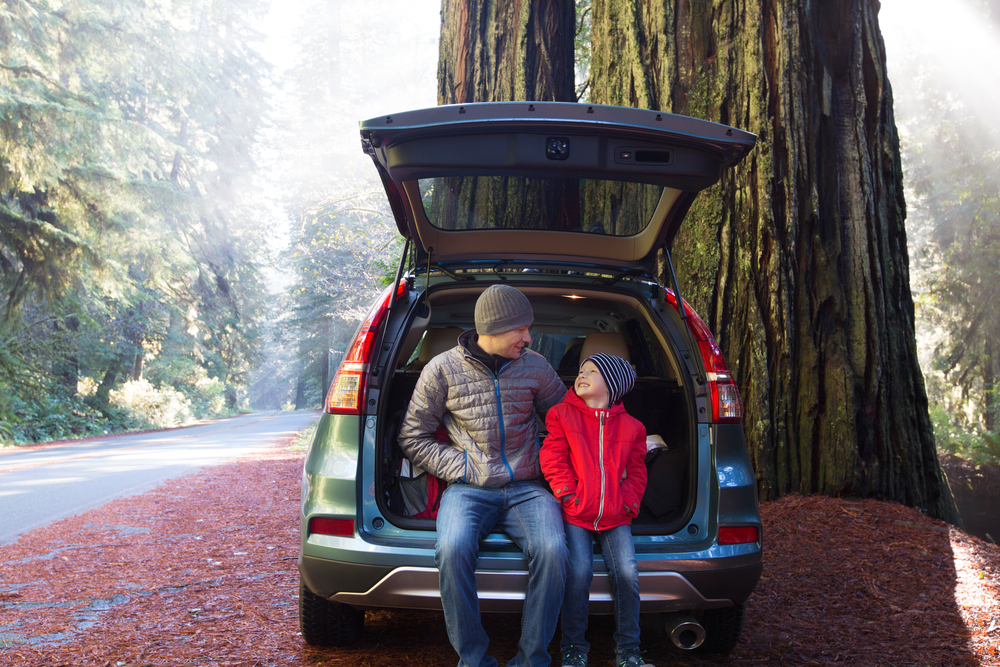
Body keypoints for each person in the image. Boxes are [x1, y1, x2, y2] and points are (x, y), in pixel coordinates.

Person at [399, 284, 569, 667]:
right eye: (521, 329)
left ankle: (531, 660)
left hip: (527, 487)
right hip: (467, 488)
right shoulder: (440, 370)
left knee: (554, 550)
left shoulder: (536, 366)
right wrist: (461, 467)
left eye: (529, 329)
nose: (529, 337)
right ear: (492, 329)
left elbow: (567, 422)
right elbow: (412, 436)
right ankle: (474, 660)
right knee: (452, 548)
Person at [539, 353, 652, 667]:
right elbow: (553, 457)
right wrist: (567, 495)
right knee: (578, 573)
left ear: (613, 386)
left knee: (627, 574)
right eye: (581, 370)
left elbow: (637, 472)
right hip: (576, 513)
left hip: (617, 516)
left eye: (592, 371)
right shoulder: (562, 415)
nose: (582, 375)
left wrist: (627, 503)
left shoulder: (633, 428)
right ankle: (574, 648)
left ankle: (629, 649)